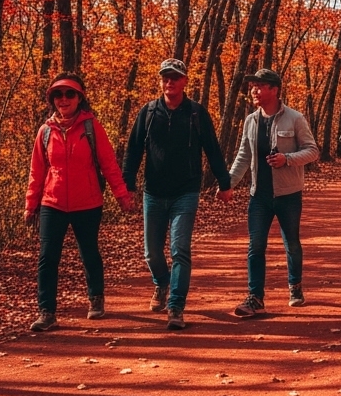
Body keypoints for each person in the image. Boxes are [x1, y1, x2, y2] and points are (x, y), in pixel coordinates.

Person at [123, 58, 232, 330]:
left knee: (180, 249)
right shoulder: (148, 113)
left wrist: (225, 182)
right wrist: (127, 186)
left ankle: (176, 306)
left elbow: (212, 148)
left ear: (184, 81)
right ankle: (162, 284)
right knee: (151, 253)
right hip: (154, 193)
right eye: (165, 77)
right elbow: (133, 151)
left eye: (175, 77)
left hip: (186, 192)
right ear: (160, 81)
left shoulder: (196, 113)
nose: (169, 81)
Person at [25, 72, 136, 332]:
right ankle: (47, 312)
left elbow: (108, 164)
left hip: (87, 203)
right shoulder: (45, 132)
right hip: (52, 203)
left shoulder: (91, 127)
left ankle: (96, 298)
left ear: (79, 98)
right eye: (58, 95)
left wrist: (122, 195)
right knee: (47, 258)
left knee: (89, 252)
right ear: (52, 100)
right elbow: (37, 171)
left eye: (69, 94)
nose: (63, 99)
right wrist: (31, 204)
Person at [228, 68, 320, 317]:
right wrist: (228, 184)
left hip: (288, 194)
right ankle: (255, 297)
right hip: (259, 195)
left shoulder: (295, 118)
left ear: (274, 89)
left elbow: (312, 151)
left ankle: (295, 286)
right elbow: (243, 157)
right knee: (255, 246)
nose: (254, 91)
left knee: (291, 242)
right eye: (252, 86)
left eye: (259, 86)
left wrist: (287, 159)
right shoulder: (250, 121)